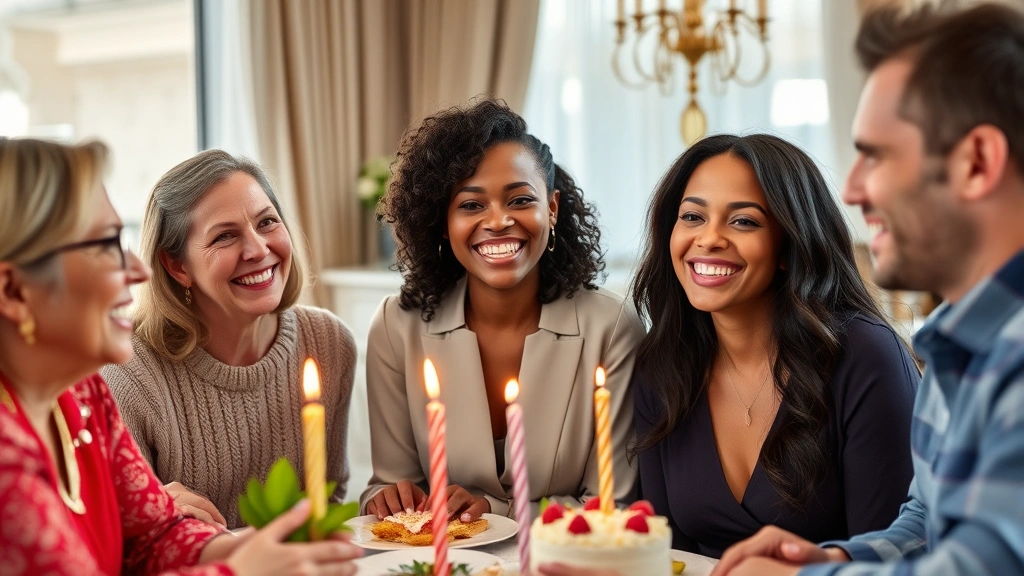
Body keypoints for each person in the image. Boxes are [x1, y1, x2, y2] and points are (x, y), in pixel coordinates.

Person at [712, 3, 1024, 575]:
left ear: (977, 162)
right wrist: (834, 556)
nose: (851, 190)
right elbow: (927, 521)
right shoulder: (957, 341)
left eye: (875, 156)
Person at [0, 137, 361, 575]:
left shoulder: (83, 395)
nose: (137, 271)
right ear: (14, 291)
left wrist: (252, 545)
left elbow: (153, 535)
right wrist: (244, 570)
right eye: (102, 247)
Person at [626, 134, 916, 559]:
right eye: (692, 217)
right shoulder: (663, 362)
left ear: (789, 245)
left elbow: (894, 554)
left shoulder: (866, 356)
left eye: (743, 221)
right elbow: (664, 553)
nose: (708, 239)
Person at [361, 98, 644, 523]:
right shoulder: (396, 328)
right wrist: (386, 498)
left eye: (519, 200)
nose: (497, 221)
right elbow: (394, 484)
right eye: (471, 205)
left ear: (551, 209)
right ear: (442, 222)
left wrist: (493, 512)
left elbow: (613, 507)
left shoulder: (611, 327)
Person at [102, 150, 356, 529]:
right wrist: (148, 513)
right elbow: (121, 539)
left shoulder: (328, 342)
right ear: (177, 266)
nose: (258, 249)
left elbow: (329, 496)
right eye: (225, 236)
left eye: (267, 222)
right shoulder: (128, 373)